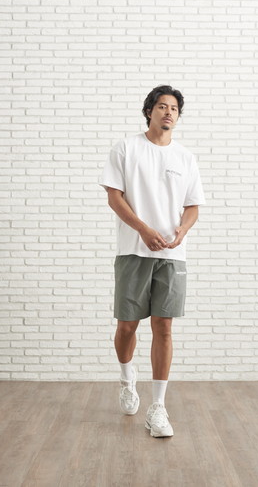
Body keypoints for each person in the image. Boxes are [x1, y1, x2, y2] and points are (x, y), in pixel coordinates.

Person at [99, 85, 206, 438]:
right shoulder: (126, 149)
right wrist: (143, 229)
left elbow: (192, 206)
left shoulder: (185, 158)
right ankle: (127, 379)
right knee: (127, 326)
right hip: (133, 250)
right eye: (162, 106)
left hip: (171, 256)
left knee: (164, 327)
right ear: (149, 111)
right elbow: (114, 197)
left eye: (174, 108)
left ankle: (158, 407)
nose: (168, 112)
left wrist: (182, 231)